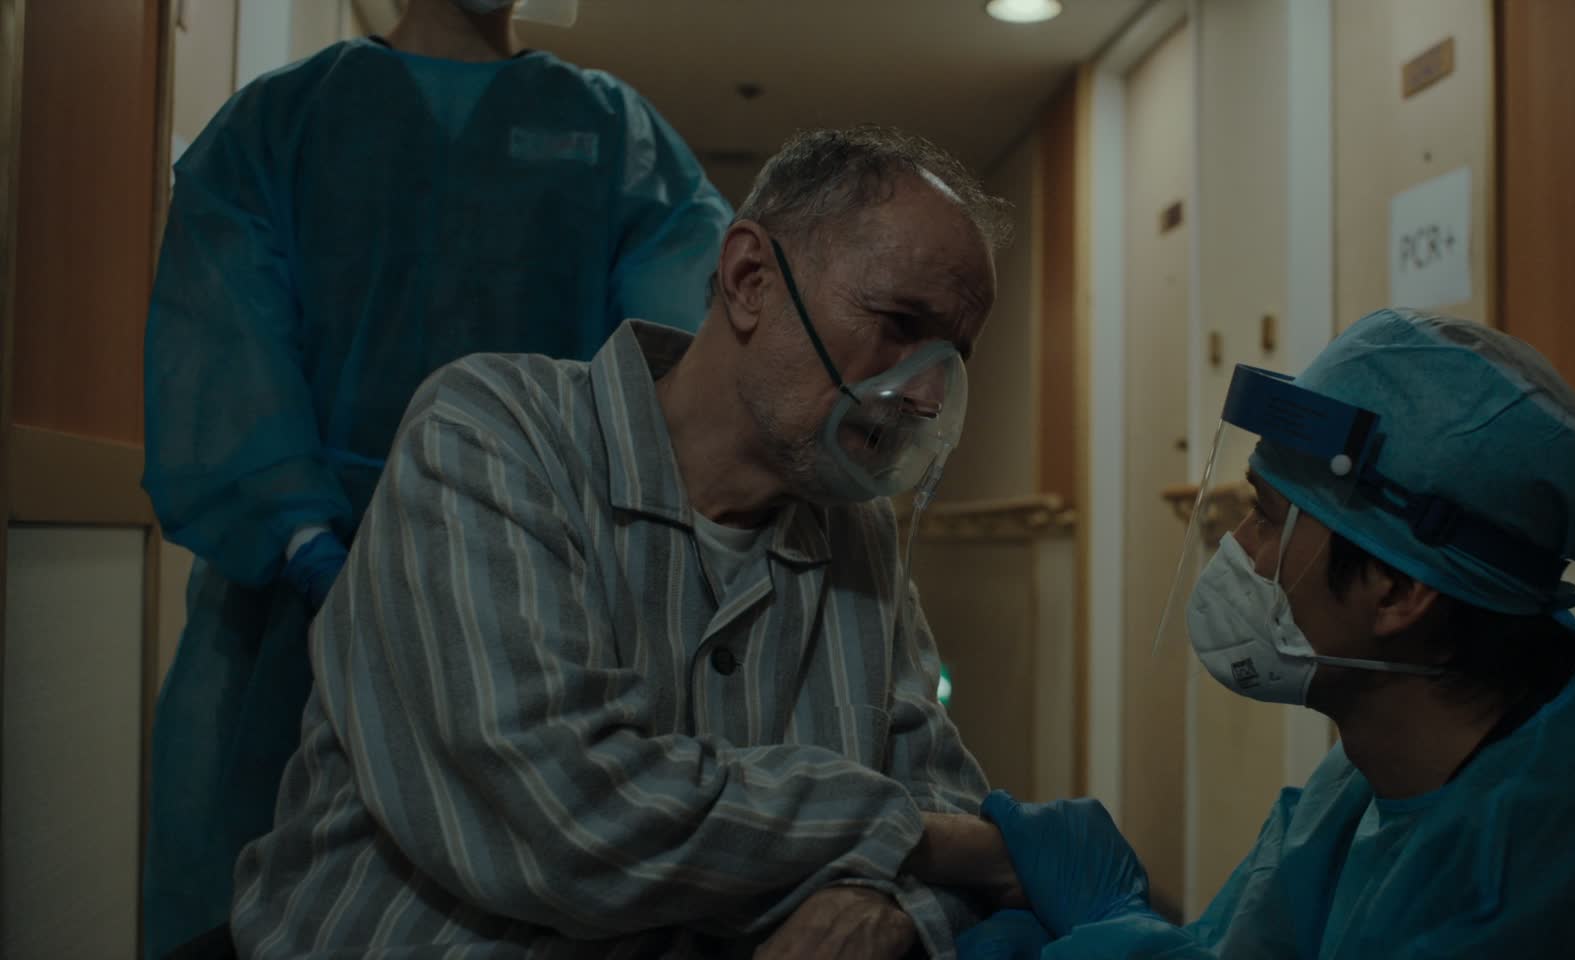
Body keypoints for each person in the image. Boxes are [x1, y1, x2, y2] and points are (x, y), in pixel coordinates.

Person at [229, 126, 1028, 959]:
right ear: (750, 279)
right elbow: (565, 818)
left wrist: (892, 907)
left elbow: (950, 802)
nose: (927, 395)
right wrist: (915, 839)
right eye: (899, 322)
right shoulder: (492, 435)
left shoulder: (858, 537)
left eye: (952, 356)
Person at [959, 310, 1575, 959]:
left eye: (1269, 521)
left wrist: (1092, 929)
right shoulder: (1396, 766)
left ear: (1400, 590)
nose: (1240, 550)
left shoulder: (1546, 864)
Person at [139, 0, 731, 954]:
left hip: (534, 589)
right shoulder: (280, 122)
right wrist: (304, 541)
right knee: (258, 900)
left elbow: (683, 368)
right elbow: (223, 337)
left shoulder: (615, 138)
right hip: (290, 605)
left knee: (520, 888)